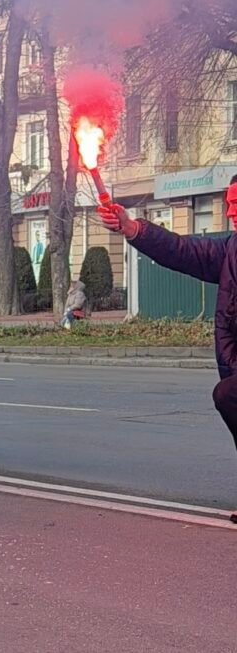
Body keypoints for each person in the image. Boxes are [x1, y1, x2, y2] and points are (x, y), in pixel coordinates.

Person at [97, 174, 237, 522]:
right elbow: (182, 251)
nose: (232, 213)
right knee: (229, 396)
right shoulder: (231, 250)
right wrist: (132, 228)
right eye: (230, 204)